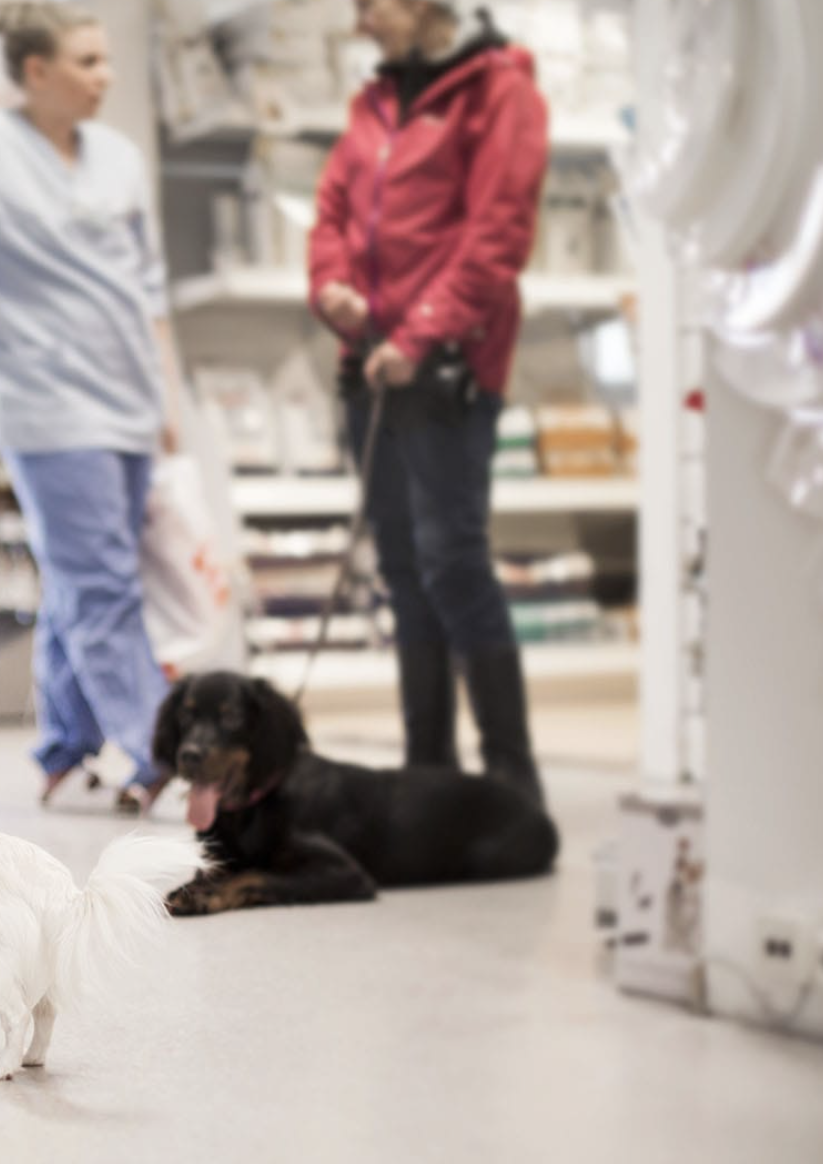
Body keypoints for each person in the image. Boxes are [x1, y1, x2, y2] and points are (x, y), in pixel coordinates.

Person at [0, 1, 187, 814]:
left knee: (83, 576)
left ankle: (64, 742)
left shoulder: (118, 157)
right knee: (103, 583)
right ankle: (160, 753)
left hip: (128, 395)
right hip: (50, 405)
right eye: (87, 62)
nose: (105, 77)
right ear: (36, 71)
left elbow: (150, 285)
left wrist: (166, 393)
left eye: (105, 60)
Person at [308, 0, 548, 805]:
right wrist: (332, 288)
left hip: (447, 369)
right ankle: (428, 778)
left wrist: (420, 335)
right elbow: (332, 214)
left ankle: (513, 781)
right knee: (404, 567)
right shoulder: (373, 101)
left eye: (369, 5)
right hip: (370, 366)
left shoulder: (501, 92)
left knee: (453, 561)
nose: (361, 23)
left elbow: (498, 233)